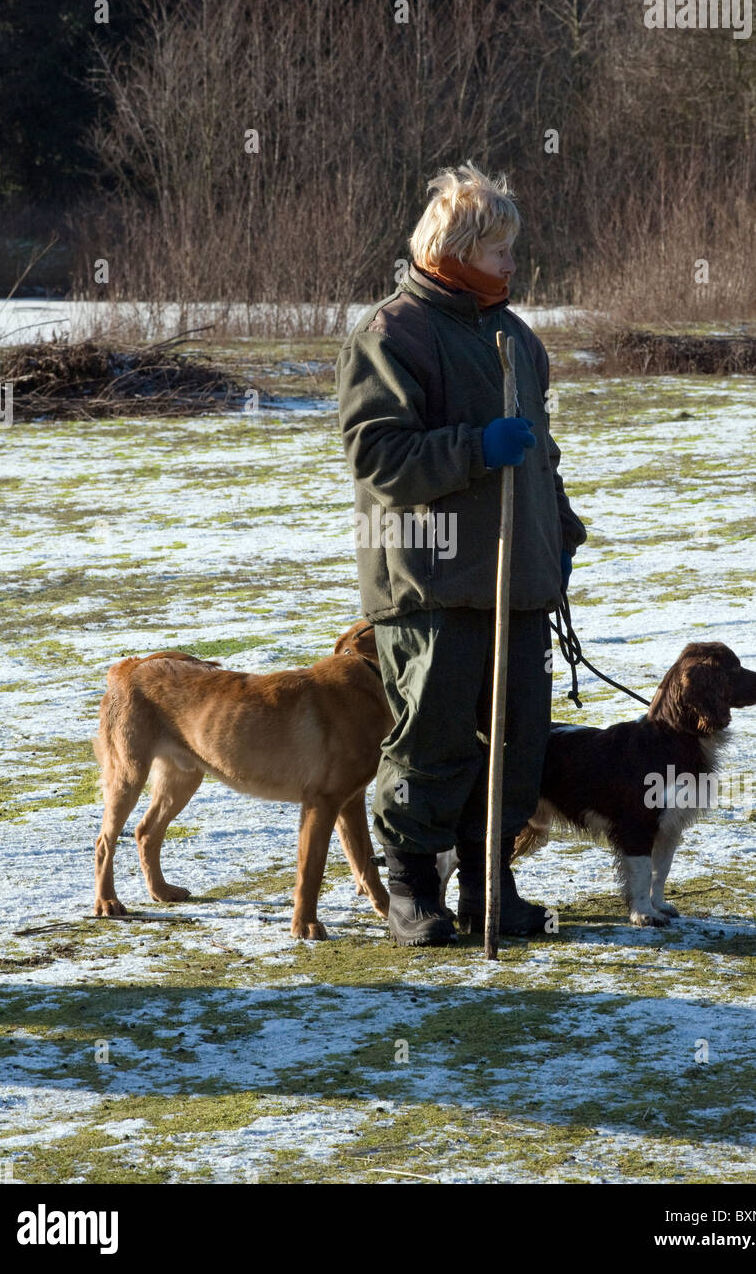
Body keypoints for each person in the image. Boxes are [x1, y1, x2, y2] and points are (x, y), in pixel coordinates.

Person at [335, 161, 587, 945]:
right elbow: (379, 458)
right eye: (499, 247)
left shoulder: (517, 339)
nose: (513, 263)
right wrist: (476, 446)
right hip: (432, 577)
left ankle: (489, 889)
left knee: (517, 744)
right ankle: (411, 889)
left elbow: (539, 458)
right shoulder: (391, 332)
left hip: (519, 579)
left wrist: (561, 535)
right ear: (455, 246)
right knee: (433, 738)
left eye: (513, 247)